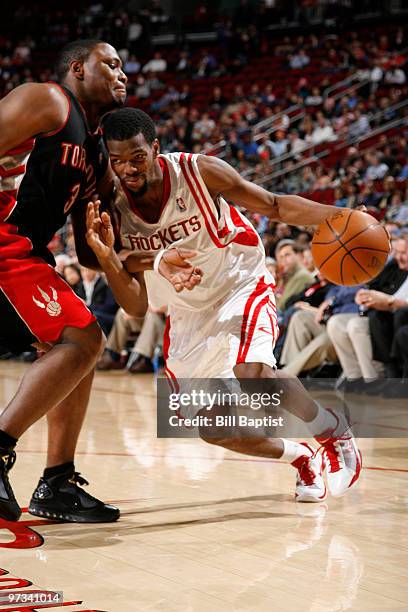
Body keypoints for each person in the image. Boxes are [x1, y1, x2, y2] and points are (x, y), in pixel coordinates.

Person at [86, 107, 362, 503]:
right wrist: (114, 259)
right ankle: (299, 457)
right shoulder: (114, 208)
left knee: (252, 373)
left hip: (240, 280)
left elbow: (274, 205)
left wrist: (338, 216)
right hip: (191, 311)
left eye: (137, 157)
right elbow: (135, 307)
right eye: (117, 161)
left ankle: (331, 430)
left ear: (156, 149)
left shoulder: (199, 172)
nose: (127, 169)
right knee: (213, 427)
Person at [0, 40, 201, 523]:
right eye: (110, 64)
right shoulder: (46, 100)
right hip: (4, 245)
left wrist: (154, 258)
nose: (122, 73)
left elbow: (92, 253)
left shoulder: (96, 154)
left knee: (81, 340)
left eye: (124, 66)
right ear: (77, 68)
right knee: (83, 337)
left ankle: (57, 483)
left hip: (26, 254)